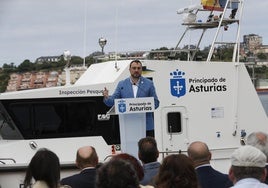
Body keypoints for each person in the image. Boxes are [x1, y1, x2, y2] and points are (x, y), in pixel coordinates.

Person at [103, 59, 160, 137]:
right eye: (134, 68)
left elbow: (156, 103)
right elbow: (112, 102)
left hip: (147, 126)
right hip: (128, 125)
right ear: (129, 70)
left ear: (141, 70)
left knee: (147, 149)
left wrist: (144, 103)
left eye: (139, 68)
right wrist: (106, 97)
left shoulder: (149, 84)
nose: (136, 70)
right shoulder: (122, 84)